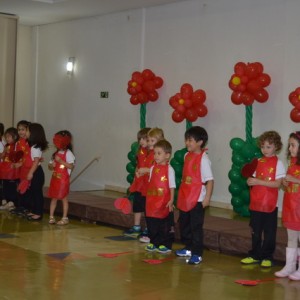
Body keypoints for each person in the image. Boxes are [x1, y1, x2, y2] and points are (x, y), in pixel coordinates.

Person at [241, 130, 285, 267]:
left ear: (276, 147)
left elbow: (278, 184)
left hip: (270, 204)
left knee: (269, 232)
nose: (265, 150)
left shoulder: (279, 164)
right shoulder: (257, 162)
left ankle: (267, 257)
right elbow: (252, 178)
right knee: (255, 231)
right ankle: (255, 254)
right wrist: (250, 181)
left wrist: (259, 182)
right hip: (256, 203)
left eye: (268, 147)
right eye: (263, 146)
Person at [175, 126, 214, 265]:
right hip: (185, 196)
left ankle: (197, 253)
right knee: (184, 224)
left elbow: (209, 180)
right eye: (186, 140)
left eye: (190, 140)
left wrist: (207, 198)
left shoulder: (204, 159)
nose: (187, 143)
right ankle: (188, 247)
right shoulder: (187, 156)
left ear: (200, 142)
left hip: (197, 199)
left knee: (195, 226)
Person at [275, 132, 300, 280]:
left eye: (293, 145)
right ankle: (290, 266)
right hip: (291, 205)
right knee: (291, 237)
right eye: (290, 145)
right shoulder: (292, 162)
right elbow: (289, 182)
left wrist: (295, 180)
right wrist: (285, 182)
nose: (290, 148)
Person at [145, 139, 175, 253]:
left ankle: (164, 243)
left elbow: (172, 186)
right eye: (155, 153)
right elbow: (151, 183)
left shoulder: (169, 170)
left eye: (159, 153)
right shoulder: (152, 168)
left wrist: (171, 200)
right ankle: (154, 242)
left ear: (167, 155)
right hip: (152, 201)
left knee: (164, 224)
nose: (156, 156)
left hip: (164, 201)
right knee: (152, 223)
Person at [136, 127, 165, 243]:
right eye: (148, 141)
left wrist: (146, 170)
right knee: (149, 210)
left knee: (155, 212)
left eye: (152, 141)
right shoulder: (149, 154)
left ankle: (154, 234)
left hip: (158, 189)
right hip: (150, 188)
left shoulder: (160, 155)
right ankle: (151, 232)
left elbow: (158, 170)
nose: (149, 143)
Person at [124, 127, 151, 237]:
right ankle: (136, 226)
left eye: (144, 139)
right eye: (139, 139)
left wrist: (146, 171)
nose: (141, 141)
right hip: (139, 185)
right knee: (137, 205)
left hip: (149, 186)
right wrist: (136, 174)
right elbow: (138, 165)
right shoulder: (140, 151)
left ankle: (149, 228)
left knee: (148, 207)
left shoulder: (154, 153)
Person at [19, 123, 48, 221]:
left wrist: (30, 173)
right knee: (33, 192)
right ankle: (34, 211)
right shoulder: (33, 146)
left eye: (27, 130)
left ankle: (38, 213)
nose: (25, 133)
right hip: (35, 171)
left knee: (37, 193)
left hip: (36, 172)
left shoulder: (35, 147)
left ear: (33, 133)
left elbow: (36, 162)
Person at [48, 130, 75, 225]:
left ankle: (65, 217)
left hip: (63, 180)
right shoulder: (55, 154)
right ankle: (51, 216)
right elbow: (50, 166)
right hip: (55, 179)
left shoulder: (69, 153)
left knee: (64, 198)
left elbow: (71, 166)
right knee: (54, 198)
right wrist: (52, 165)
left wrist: (61, 161)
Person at [10, 120, 31, 215]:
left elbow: (29, 157)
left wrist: (21, 163)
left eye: (23, 129)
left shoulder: (30, 142)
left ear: (28, 130)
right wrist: (15, 162)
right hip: (21, 170)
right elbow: (18, 155)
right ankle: (21, 206)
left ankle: (27, 208)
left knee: (27, 188)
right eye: (19, 129)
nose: (21, 132)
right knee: (20, 187)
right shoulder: (18, 142)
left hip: (28, 169)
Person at [0, 127, 19, 211]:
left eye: (9, 136)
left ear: (14, 137)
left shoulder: (16, 145)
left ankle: (12, 202)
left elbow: (18, 157)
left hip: (12, 170)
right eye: (6, 137)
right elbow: (2, 155)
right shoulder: (6, 145)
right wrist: (3, 154)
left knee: (12, 186)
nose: (7, 138)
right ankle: (6, 201)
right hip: (5, 169)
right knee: (5, 185)